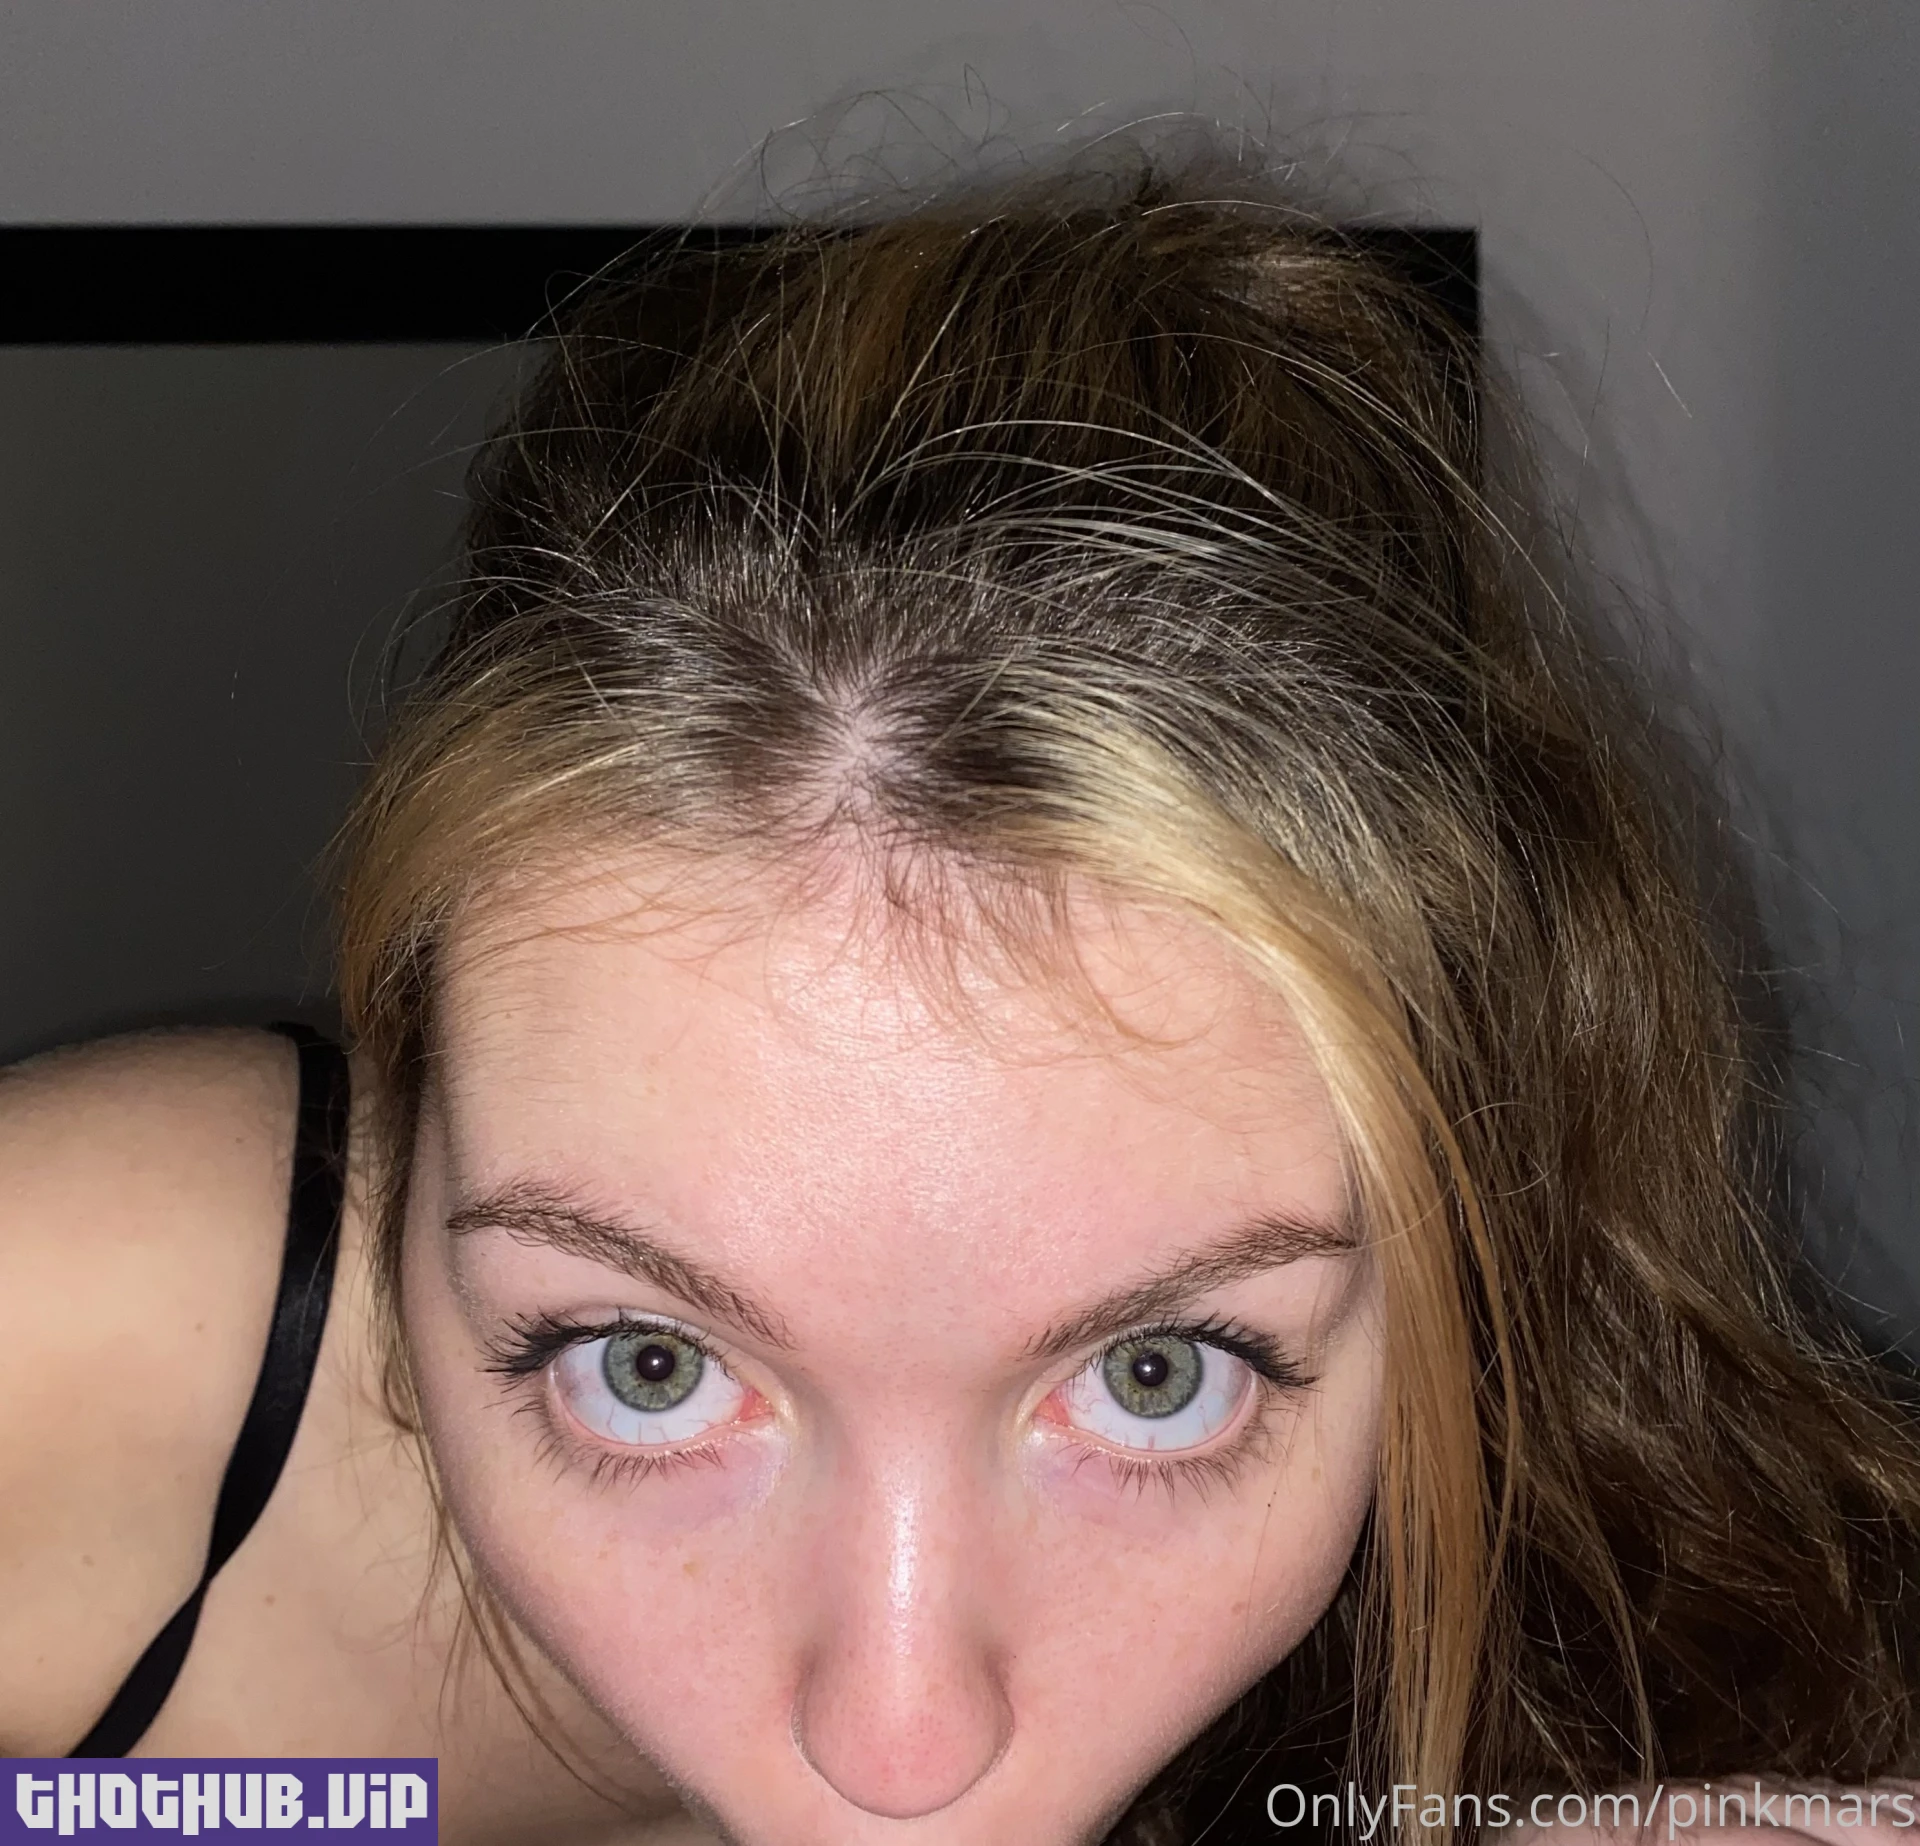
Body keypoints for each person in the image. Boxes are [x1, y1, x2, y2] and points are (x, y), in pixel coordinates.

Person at [3, 153, 1918, 1846]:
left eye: (1159, 1373)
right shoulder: (80, 1326)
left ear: (1461, 1238)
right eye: (647, 1361)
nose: (900, 1747)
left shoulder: (1578, 1662)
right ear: (408, 1147)